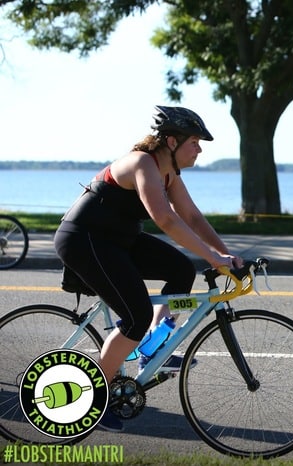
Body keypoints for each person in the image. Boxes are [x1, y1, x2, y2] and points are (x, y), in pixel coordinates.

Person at [54, 105, 242, 432]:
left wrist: (228, 257)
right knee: (135, 316)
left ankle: (154, 348)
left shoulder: (169, 173)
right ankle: (95, 402)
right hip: (85, 239)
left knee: (181, 270)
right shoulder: (144, 163)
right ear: (171, 141)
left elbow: (193, 218)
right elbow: (166, 219)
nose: (199, 149)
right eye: (195, 142)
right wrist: (214, 259)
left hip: (118, 240)